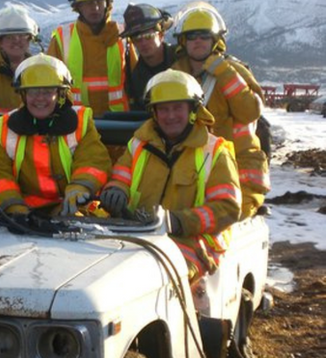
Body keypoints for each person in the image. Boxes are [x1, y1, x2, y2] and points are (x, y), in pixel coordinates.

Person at [100, 70, 241, 284]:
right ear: (154, 113)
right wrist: (115, 190)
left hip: (193, 243)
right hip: (140, 236)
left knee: (158, 279)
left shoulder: (215, 151)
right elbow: (121, 177)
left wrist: (178, 221)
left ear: (193, 110)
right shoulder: (138, 145)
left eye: (178, 108)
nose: (171, 116)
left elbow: (227, 209)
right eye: (164, 109)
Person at [0, 53, 111, 220]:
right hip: (25, 216)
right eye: (33, 92)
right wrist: (12, 205)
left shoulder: (81, 122)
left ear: (60, 94)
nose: (40, 98)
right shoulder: (6, 128)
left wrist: (80, 186)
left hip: (74, 211)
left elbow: (93, 160)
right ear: (23, 95)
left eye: (48, 91)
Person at [171, 4, 269, 219]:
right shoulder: (175, 75)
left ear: (215, 40)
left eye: (204, 36)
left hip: (238, 165)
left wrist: (223, 73)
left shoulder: (234, 71)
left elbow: (250, 113)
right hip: (192, 168)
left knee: (229, 219)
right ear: (183, 42)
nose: (198, 41)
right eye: (192, 36)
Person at [47, 0, 129, 117]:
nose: (95, 8)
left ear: (107, 4)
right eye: (89, 3)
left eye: (99, 2)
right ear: (78, 7)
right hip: (75, 120)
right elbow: (47, 81)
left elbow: (136, 77)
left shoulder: (123, 34)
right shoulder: (62, 37)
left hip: (118, 120)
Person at [120, 3, 176, 110]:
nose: (143, 43)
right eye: (137, 38)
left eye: (148, 36)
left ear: (161, 36)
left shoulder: (181, 59)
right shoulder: (135, 79)